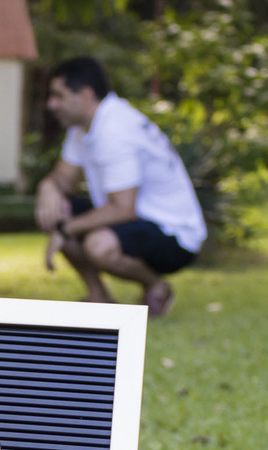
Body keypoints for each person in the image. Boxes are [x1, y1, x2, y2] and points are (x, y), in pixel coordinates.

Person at [36, 56, 207, 317]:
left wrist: (65, 229)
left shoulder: (114, 130)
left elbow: (123, 209)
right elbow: (64, 179)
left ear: (85, 94)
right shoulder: (84, 127)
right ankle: (99, 296)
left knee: (98, 244)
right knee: (58, 209)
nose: (52, 104)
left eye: (58, 96)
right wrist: (48, 187)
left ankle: (157, 287)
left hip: (174, 233)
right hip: (136, 217)